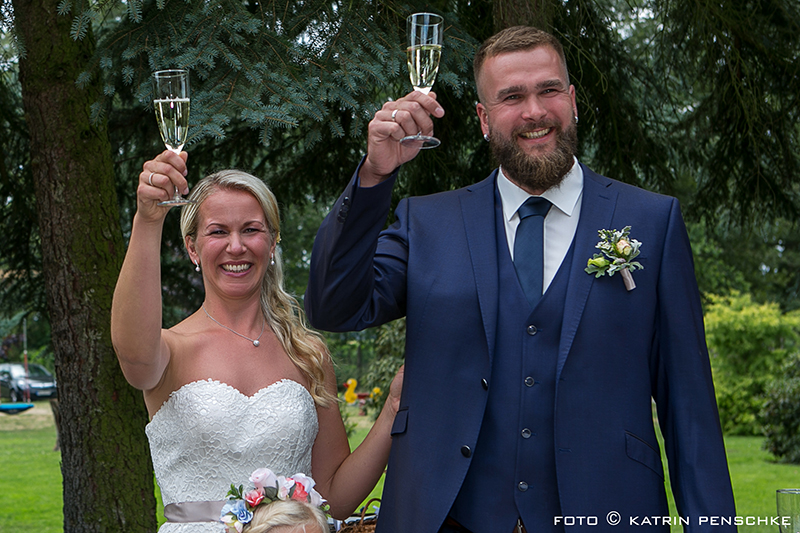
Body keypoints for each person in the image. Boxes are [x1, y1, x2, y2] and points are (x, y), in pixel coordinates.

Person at [304, 25, 737, 533]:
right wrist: (375, 177)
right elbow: (334, 305)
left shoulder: (650, 221)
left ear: (572, 101)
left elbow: (690, 409)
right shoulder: (429, 223)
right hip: (445, 517)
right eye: (512, 97)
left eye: (548, 90)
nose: (534, 111)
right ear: (486, 120)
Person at [111, 151, 403, 533]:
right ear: (192, 248)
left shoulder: (307, 354)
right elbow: (131, 352)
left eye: (251, 229)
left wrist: (392, 410)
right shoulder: (169, 350)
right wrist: (148, 220)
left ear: (273, 240)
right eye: (218, 232)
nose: (236, 246)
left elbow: (334, 496)